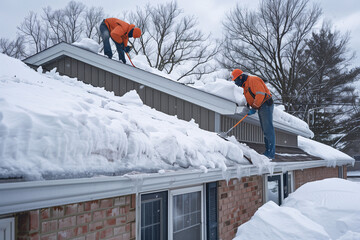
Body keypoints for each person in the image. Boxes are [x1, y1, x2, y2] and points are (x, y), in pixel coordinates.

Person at [231, 69, 276, 159]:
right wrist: (250, 106)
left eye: (236, 80)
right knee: (265, 129)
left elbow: (260, 95)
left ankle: (270, 153)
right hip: (260, 106)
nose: (236, 83)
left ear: (240, 77)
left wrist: (254, 107)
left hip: (265, 104)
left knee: (268, 129)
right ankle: (268, 151)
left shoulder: (253, 80)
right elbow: (251, 97)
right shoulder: (245, 85)